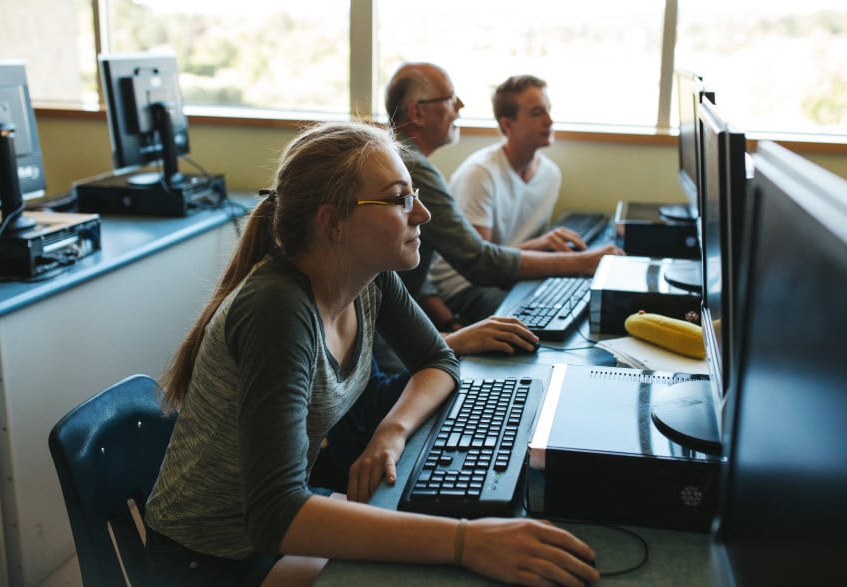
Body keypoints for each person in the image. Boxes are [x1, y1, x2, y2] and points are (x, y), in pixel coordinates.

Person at [142, 120, 600, 587]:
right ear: (332, 223)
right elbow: (275, 516)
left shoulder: (368, 278)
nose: (421, 213)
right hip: (209, 555)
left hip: (269, 525)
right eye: (400, 198)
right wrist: (467, 541)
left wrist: (392, 432)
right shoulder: (277, 311)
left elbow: (438, 361)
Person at [385, 62, 624, 326]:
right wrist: (582, 262)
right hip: (398, 324)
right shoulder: (414, 168)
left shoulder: (405, 161)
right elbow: (481, 263)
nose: (460, 106)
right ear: (417, 112)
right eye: (451, 98)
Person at [429, 74, 581, 323]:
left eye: (549, 111)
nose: (549, 121)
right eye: (537, 113)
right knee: (534, 321)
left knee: (571, 303)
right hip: (466, 286)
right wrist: (544, 245)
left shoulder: (550, 174)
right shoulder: (480, 174)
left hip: (508, 275)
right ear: (507, 125)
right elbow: (481, 263)